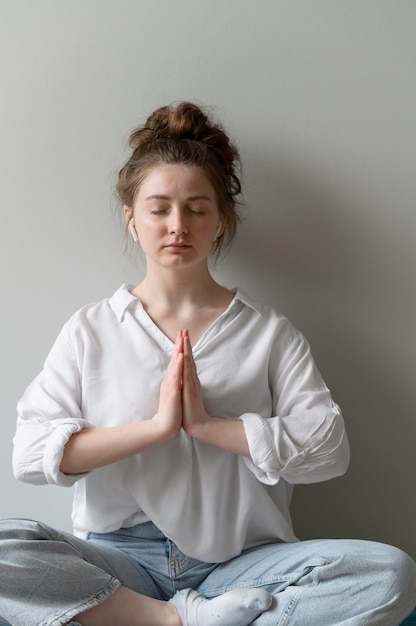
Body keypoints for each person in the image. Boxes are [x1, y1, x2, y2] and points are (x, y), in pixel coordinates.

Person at [1, 101, 415, 626]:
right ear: (132, 219)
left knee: (390, 573)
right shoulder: (91, 330)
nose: (178, 225)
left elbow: (329, 449)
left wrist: (208, 427)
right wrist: (155, 428)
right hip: (123, 563)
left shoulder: (268, 332)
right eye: (159, 209)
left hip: (243, 563)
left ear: (220, 221)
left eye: (197, 209)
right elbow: (30, 455)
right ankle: (172, 619)